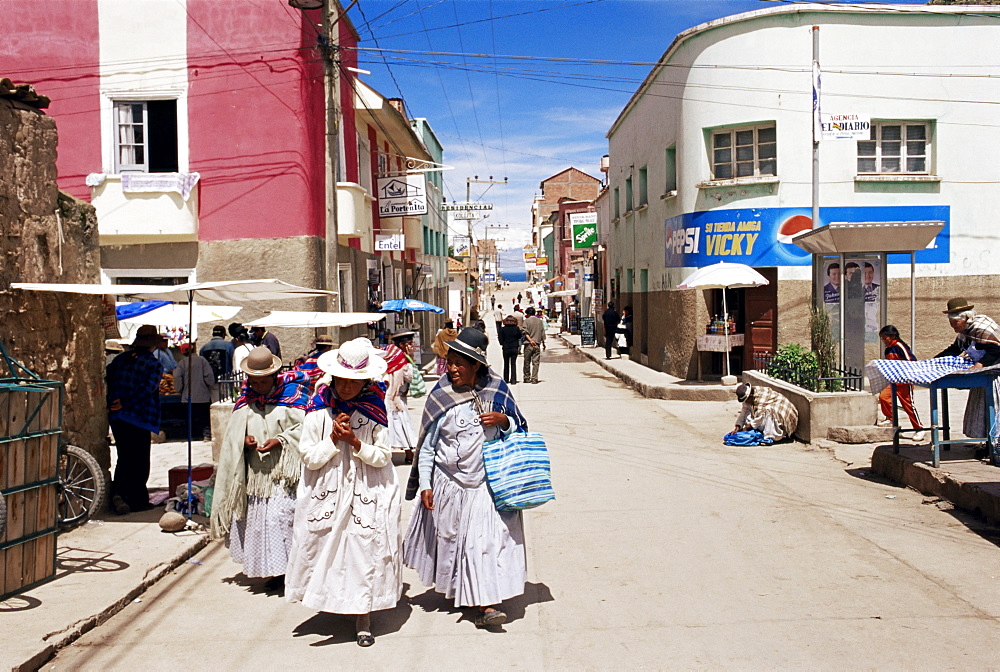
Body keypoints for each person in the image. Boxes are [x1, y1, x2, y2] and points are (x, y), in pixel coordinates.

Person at [402, 328, 529, 628]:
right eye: (450, 362)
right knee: (455, 543)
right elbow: (428, 447)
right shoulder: (440, 395)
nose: (453, 369)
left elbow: (520, 430)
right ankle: (466, 591)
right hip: (451, 486)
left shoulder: (497, 390)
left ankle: (486, 606)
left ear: (477, 366)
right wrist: (425, 484)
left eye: (461, 363)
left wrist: (504, 421)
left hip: (486, 486)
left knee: (481, 544)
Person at [285, 338, 402, 648]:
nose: (348, 388)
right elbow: (308, 456)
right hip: (328, 491)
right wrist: (333, 441)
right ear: (334, 377)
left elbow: (383, 456)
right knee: (327, 548)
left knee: (363, 551)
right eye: (343, 381)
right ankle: (332, 601)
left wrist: (356, 443)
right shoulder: (318, 409)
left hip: (367, 490)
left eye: (355, 382)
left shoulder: (375, 409)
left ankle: (363, 618)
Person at [210, 347, 309, 592]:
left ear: (274, 377)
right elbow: (233, 436)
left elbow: (308, 430)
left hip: (286, 474)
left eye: (264, 381)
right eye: (254, 381)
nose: (259, 386)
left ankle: (295, 570)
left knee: (282, 520)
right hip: (256, 475)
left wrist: (282, 440)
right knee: (261, 524)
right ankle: (276, 570)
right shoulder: (245, 402)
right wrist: (243, 441)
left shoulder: (294, 398)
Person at [105, 324, 163, 514]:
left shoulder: (120, 360)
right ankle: (137, 500)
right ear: (153, 344)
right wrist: (126, 402)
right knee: (139, 460)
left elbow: (109, 379)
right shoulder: (153, 364)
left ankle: (119, 494)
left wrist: (115, 401)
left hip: (118, 417)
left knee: (124, 457)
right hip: (138, 416)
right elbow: (147, 389)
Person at [935, 298, 1000, 456]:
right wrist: (934, 361)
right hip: (984, 377)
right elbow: (954, 349)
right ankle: (988, 444)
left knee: (996, 409)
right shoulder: (966, 332)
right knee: (982, 411)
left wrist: (980, 365)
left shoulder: (982, 327)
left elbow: (996, 350)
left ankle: (996, 447)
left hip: (996, 375)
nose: (953, 327)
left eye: (954, 324)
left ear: (964, 318)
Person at [877, 326, 924, 441]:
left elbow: (911, 360)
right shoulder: (888, 349)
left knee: (908, 406)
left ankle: (919, 428)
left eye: (885, 338)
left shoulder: (899, 346)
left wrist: (907, 375)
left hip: (904, 381)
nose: (883, 341)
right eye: (882, 338)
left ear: (893, 336)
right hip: (893, 381)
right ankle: (891, 418)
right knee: (883, 397)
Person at [384, 329, 418, 464]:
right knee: (401, 425)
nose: (411, 346)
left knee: (393, 426)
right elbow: (409, 377)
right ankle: (409, 454)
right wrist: (411, 361)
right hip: (395, 398)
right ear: (403, 345)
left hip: (387, 396)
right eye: (409, 343)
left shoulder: (389, 354)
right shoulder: (401, 358)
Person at [174, 342, 216, 441]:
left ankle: (190, 435)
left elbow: (177, 377)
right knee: (205, 417)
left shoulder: (182, 363)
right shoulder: (202, 360)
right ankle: (206, 435)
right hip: (203, 396)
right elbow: (209, 376)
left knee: (190, 418)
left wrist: (179, 390)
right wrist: (210, 385)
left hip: (187, 396)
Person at [733, 383, 798, 442]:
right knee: (748, 415)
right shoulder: (748, 400)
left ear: (751, 395)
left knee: (769, 412)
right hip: (762, 416)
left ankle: (770, 436)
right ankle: (762, 430)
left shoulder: (761, 398)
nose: (746, 402)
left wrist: (749, 426)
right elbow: (743, 412)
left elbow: (761, 417)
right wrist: (738, 426)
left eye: (747, 400)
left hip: (778, 415)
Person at [522, 306, 545, 384]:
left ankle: (526, 377)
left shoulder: (526, 321)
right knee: (536, 362)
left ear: (528, 314)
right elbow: (542, 333)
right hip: (537, 344)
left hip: (528, 344)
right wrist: (543, 344)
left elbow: (525, 332)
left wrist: (531, 340)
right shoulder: (539, 321)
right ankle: (534, 378)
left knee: (527, 361)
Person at [498, 315, 522, 385]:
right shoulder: (516, 328)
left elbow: (500, 338)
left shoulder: (502, 329)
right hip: (514, 347)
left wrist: (502, 343)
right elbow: (520, 336)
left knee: (506, 364)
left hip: (506, 348)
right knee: (513, 364)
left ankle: (506, 379)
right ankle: (513, 380)